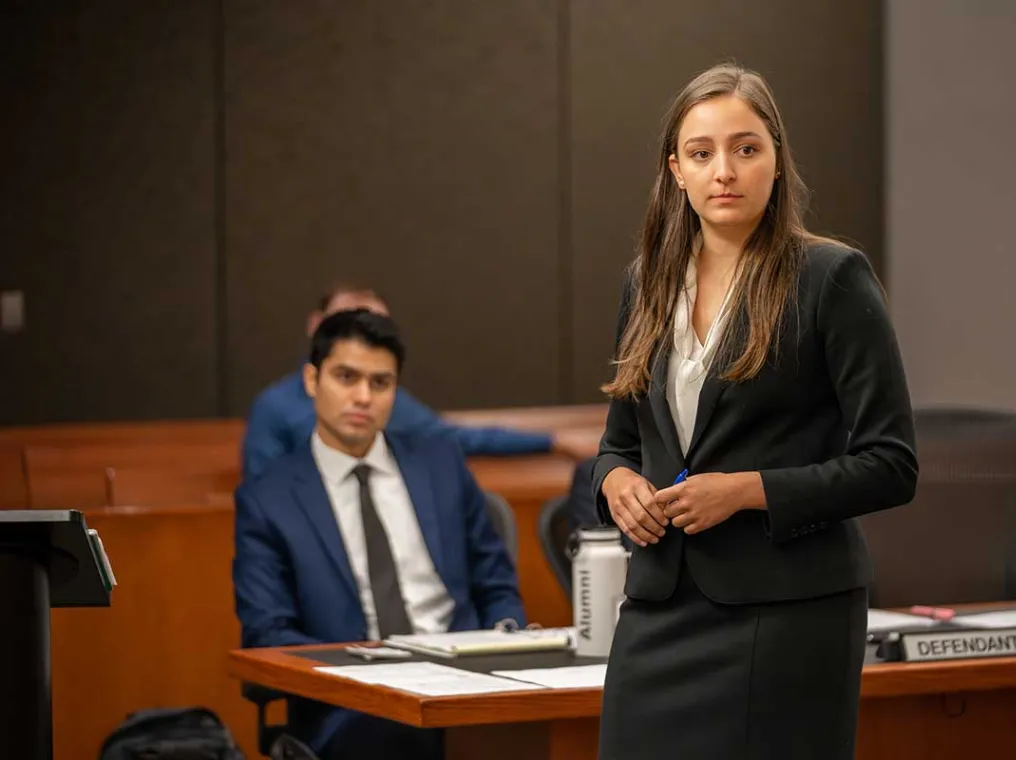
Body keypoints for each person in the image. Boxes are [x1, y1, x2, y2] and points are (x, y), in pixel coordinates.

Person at [591, 63, 918, 759]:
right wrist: (616, 485)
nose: (724, 171)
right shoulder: (646, 284)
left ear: (776, 159)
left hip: (790, 614)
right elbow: (620, 444)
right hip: (659, 608)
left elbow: (891, 465)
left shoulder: (830, 278)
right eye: (702, 153)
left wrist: (746, 492)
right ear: (675, 170)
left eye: (746, 149)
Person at [233, 309, 525, 760]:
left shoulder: (441, 465)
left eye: (380, 383)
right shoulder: (268, 499)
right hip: (352, 702)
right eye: (346, 377)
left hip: (465, 683)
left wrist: (505, 643)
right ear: (312, 381)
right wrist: (378, 670)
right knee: (391, 732)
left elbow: (497, 586)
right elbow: (268, 634)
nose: (362, 397)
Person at [241, 284, 598, 482]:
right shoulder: (275, 408)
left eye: (376, 329)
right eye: (346, 377)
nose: (363, 397)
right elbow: (263, 497)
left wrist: (553, 440)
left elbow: (459, 438)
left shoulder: (396, 405)